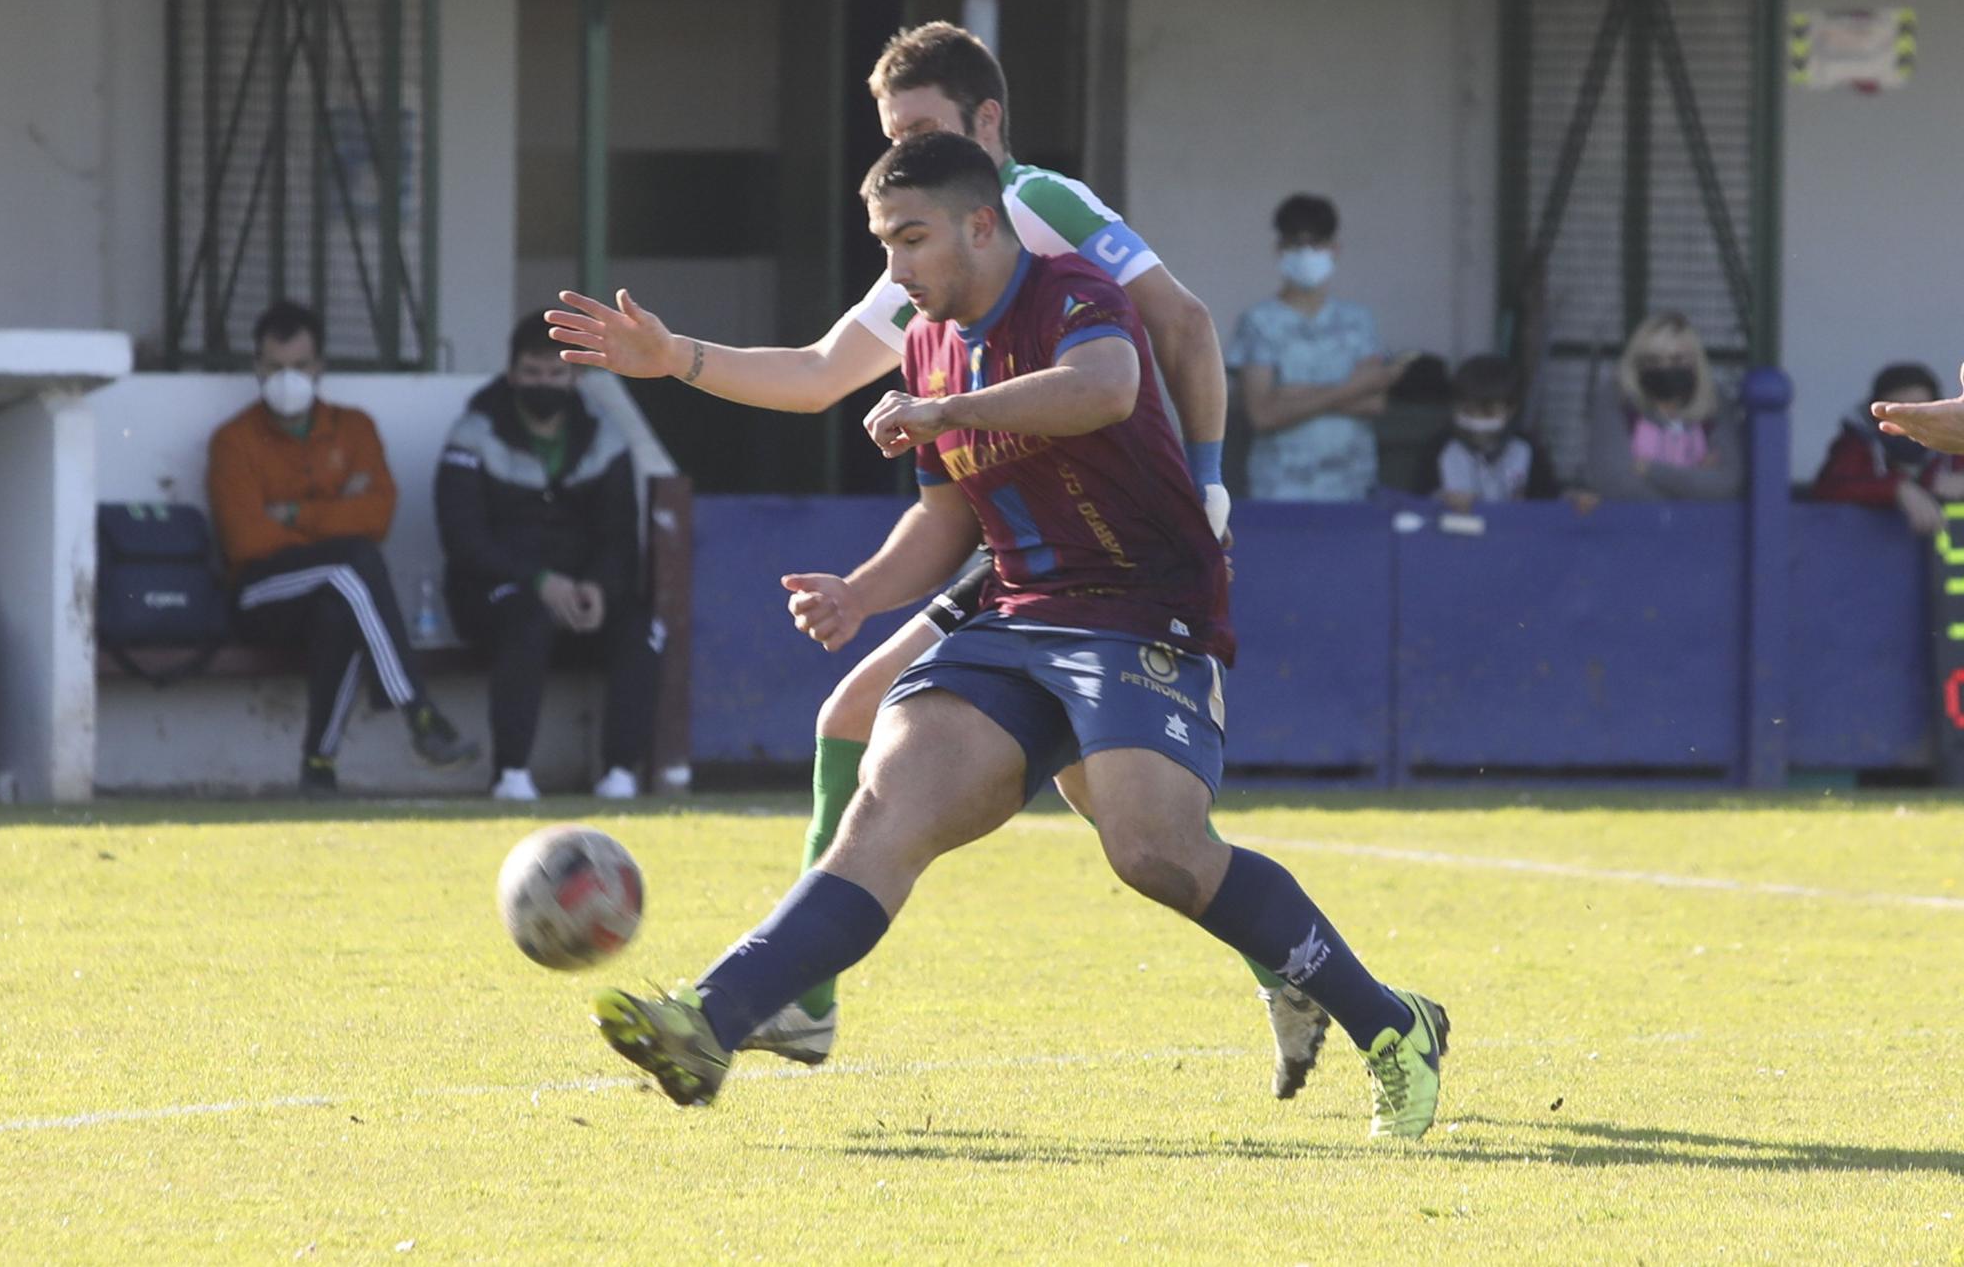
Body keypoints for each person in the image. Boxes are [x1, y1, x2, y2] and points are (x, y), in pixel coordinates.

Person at [587, 133, 1449, 1139]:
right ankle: (708, 1021)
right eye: (881, 246)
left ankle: (1391, 1025)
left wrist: (942, 406)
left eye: (910, 240)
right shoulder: (922, 339)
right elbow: (947, 517)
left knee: (1152, 850)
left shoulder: (1070, 289)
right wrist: (862, 592)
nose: (894, 271)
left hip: (1141, 604)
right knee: (884, 812)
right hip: (1017, 613)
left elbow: (1103, 389)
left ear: (982, 223)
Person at [207, 301, 478, 796]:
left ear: (321, 367)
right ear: (256, 368)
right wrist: (334, 517)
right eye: (275, 367)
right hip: (259, 593)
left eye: (300, 366)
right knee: (353, 566)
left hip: (331, 586)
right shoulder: (233, 440)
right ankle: (417, 711)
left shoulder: (355, 429)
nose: (287, 378)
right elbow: (247, 539)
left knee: (346, 602)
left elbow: (377, 517)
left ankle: (317, 764)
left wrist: (292, 515)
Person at [436, 315, 658, 801]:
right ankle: (511, 775)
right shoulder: (474, 433)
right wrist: (538, 581)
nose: (544, 384)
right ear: (512, 373)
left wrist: (599, 586)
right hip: (493, 596)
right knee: (527, 619)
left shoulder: (605, 436)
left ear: (575, 377)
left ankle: (621, 776)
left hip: (580, 595)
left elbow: (619, 534)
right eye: (533, 373)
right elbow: (464, 538)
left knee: (640, 628)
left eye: (555, 374)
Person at [1228, 193, 1411, 502]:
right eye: (1296, 244)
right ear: (1280, 250)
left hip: (1353, 485)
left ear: (1335, 249)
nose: (1306, 253)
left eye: (1317, 243)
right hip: (1279, 489)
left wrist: (1292, 395)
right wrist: (1353, 388)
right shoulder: (1258, 323)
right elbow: (1262, 415)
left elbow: (1375, 403)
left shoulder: (1358, 321)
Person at [1585, 311, 1743, 501]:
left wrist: (1649, 469)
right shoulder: (1616, 398)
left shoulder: (1714, 402)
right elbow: (1615, 482)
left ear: (1695, 361)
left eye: (1677, 360)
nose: (1665, 368)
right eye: (1653, 360)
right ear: (1637, 363)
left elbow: (1725, 484)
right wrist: (1693, 486)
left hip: (1704, 529)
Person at [1813, 363, 1964, 533]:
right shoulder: (1856, 445)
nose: (1909, 420)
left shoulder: (1955, 443)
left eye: (1918, 409)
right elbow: (1828, 489)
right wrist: (1896, 488)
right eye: (1898, 410)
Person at [1412, 354, 1567, 511]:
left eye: (1488, 413)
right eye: (1467, 411)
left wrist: (1569, 500)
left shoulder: (1528, 448)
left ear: (1511, 409)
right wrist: (1442, 497)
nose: (1476, 421)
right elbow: (1418, 498)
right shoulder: (1438, 447)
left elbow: (1548, 500)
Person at [1873, 362, 1964, 453]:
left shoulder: (1957, 457)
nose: (1908, 421)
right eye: (1897, 413)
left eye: (1917, 412)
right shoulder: (1861, 455)